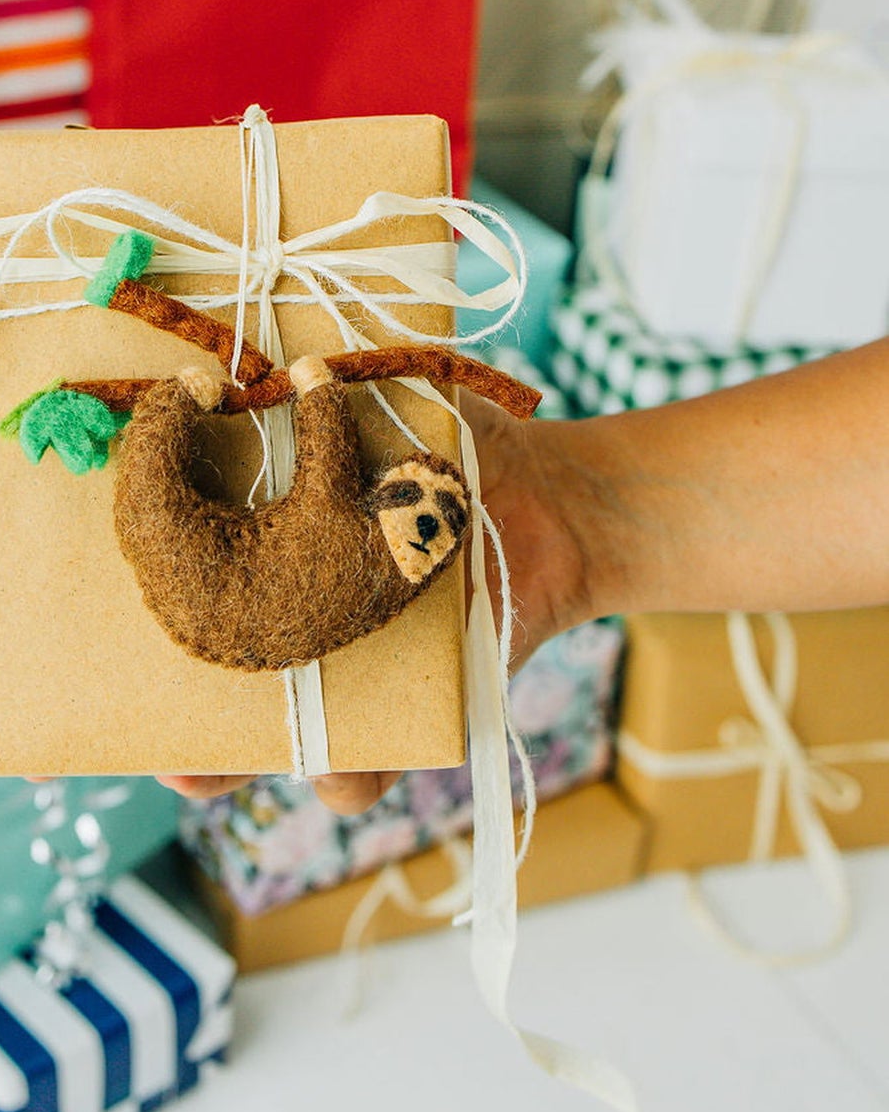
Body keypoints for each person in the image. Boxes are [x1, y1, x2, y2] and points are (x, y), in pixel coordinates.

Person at [160, 335, 889, 814]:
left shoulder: (340, 550)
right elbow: (325, 485)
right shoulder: (352, 546)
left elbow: (323, 490)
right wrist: (563, 511)